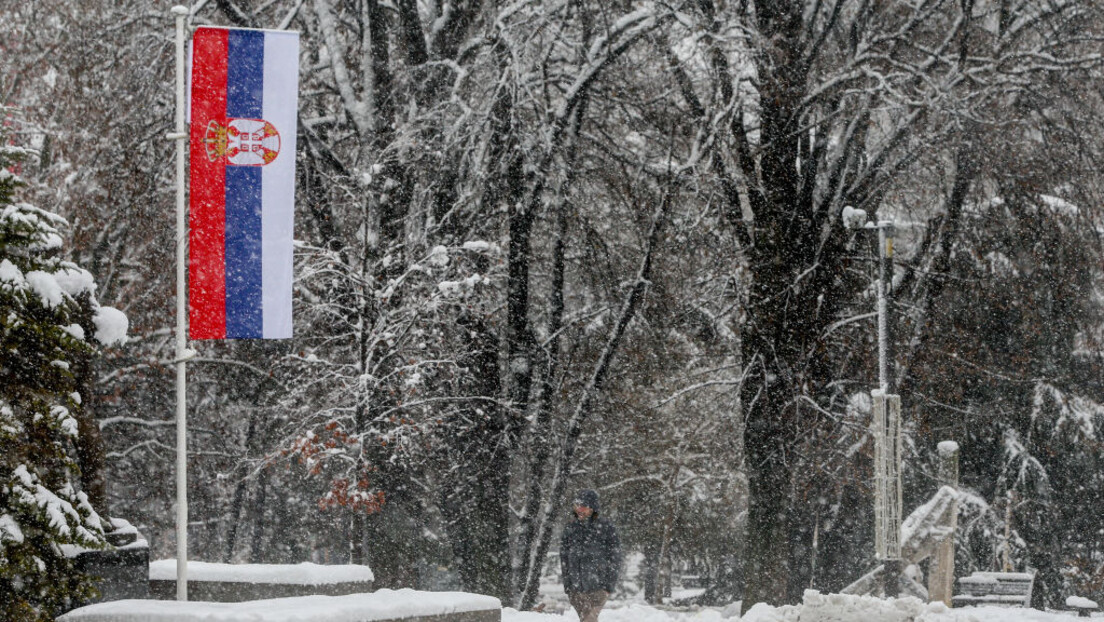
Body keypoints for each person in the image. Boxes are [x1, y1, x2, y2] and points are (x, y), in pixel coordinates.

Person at [560, 489, 621, 622]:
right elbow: (564, 558)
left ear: (593, 508)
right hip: (575, 589)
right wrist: (568, 586)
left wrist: (608, 586)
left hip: (598, 588)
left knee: (588, 620)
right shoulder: (570, 528)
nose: (580, 509)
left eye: (584, 506)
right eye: (577, 506)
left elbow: (615, 558)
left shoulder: (606, 527)